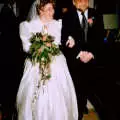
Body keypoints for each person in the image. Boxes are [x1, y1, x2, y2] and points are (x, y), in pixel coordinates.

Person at [16, 0, 78, 120]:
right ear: (40, 10)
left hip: (57, 63)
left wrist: (70, 39)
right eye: (49, 9)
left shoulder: (58, 24)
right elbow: (26, 47)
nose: (52, 12)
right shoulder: (27, 26)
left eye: (53, 9)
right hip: (36, 64)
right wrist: (41, 46)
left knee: (58, 96)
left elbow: (65, 37)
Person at [61, 0, 105, 120]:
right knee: (77, 86)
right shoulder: (67, 16)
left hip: (91, 58)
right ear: (74, 2)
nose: (83, 1)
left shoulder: (96, 14)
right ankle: (78, 111)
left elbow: (100, 37)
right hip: (76, 58)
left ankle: (85, 104)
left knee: (90, 85)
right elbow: (64, 37)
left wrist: (91, 54)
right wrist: (79, 53)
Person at [0, 0, 20, 119]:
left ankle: (14, 110)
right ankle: (6, 112)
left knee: (16, 83)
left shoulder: (24, 5)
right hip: (5, 54)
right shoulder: (4, 9)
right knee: (6, 83)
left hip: (20, 54)